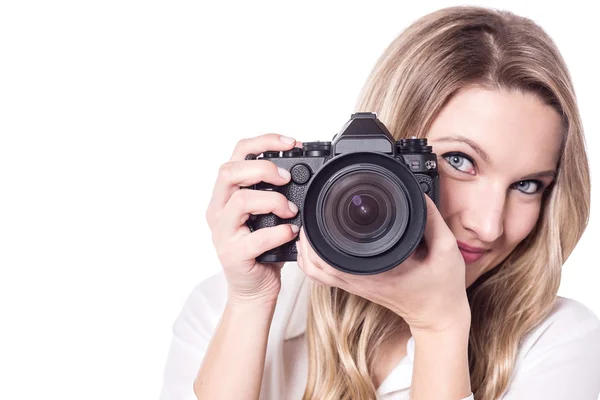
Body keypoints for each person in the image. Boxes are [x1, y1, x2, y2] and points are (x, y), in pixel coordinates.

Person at [160, 5, 600, 400]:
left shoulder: (560, 343)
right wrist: (252, 303)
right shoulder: (226, 307)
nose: (489, 226)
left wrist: (439, 329)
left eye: (527, 186)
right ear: (384, 155)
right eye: (459, 161)